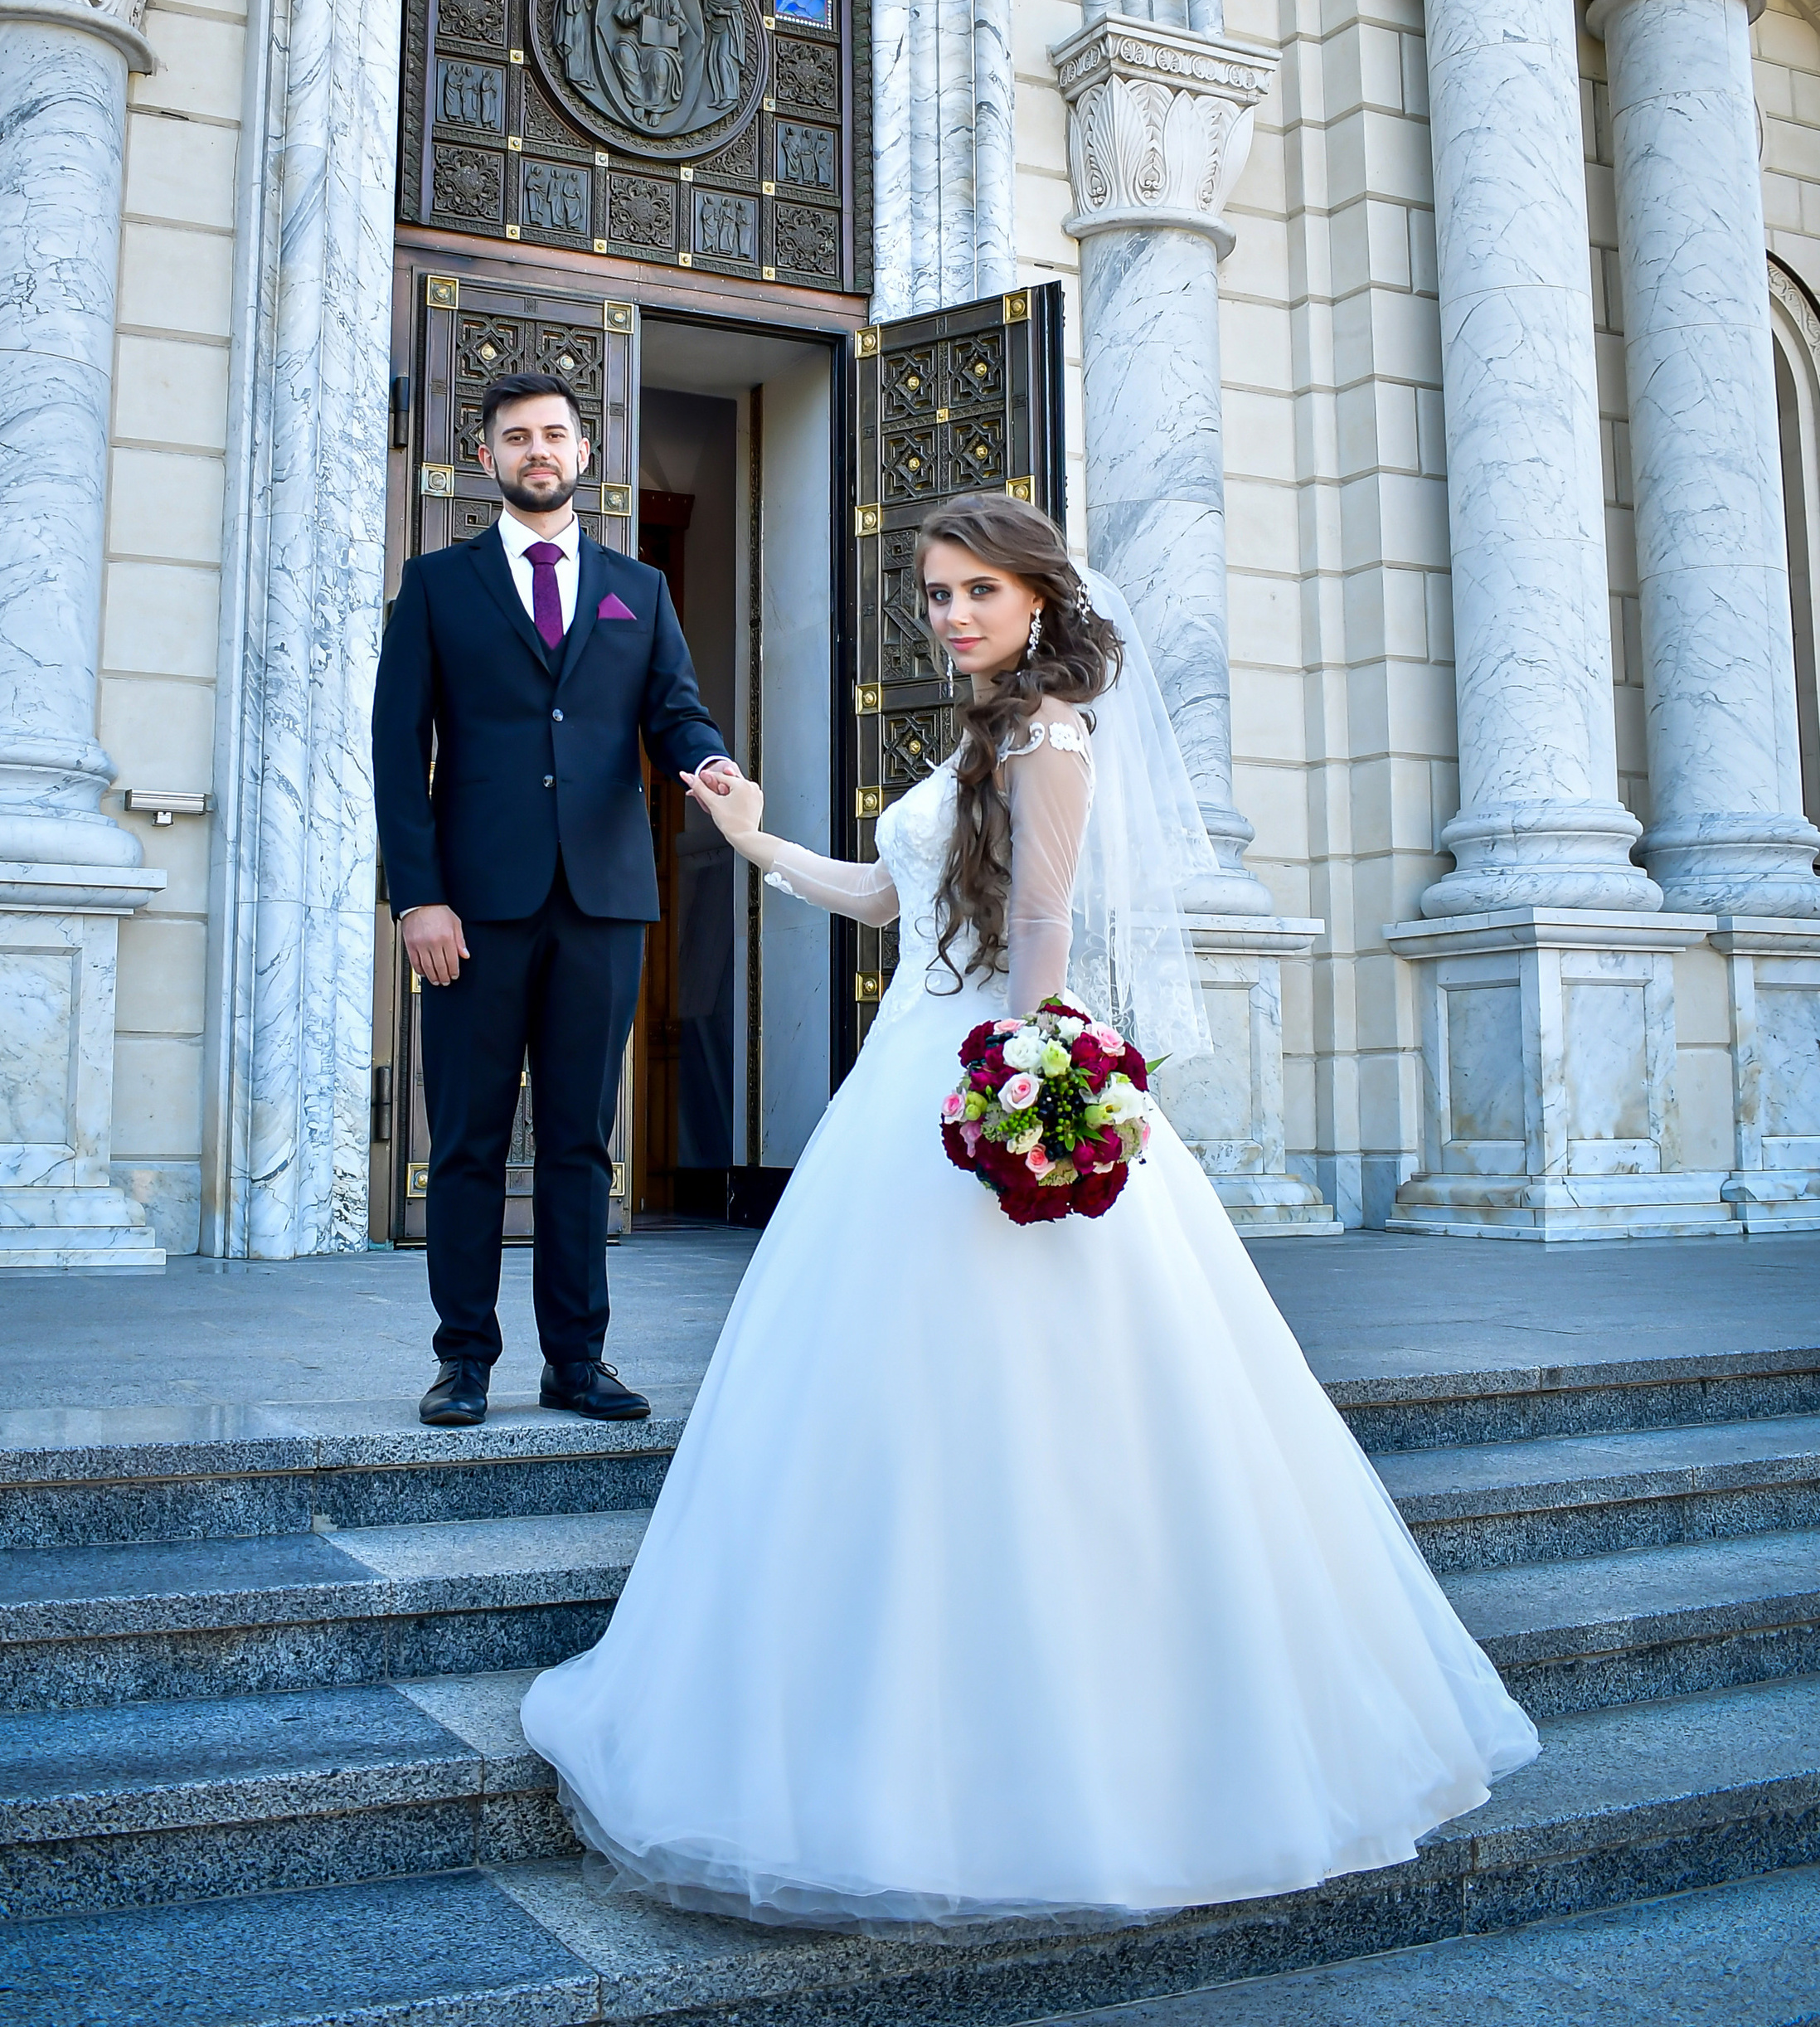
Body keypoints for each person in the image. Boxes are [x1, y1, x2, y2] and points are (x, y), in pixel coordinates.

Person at [522, 493, 1539, 1924]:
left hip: (997, 1067)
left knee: (1044, 1400)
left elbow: (1048, 926)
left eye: (975, 592)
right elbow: (891, 897)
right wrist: (753, 843)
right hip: (922, 1071)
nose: (950, 615)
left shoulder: (1051, 736)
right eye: (935, 593)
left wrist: (1027, 1078)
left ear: (1038, 600)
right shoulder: (986, 732)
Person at [371, 376, 740, 1427]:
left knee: (581, 1140)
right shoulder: (437, 586)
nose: (538, 451)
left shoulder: (639, 588)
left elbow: (676, 714)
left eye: (554, 436)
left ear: (586, 453)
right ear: (486, 457)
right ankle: (464, 1362)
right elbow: (399, 751)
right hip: (471, 909)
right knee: (469, 1141)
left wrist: (706, 766)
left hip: (603, 899)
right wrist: (418, 898)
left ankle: (576, 1363)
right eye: (516, 437)